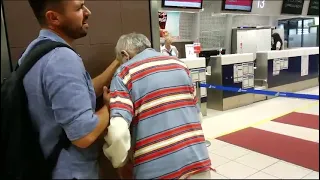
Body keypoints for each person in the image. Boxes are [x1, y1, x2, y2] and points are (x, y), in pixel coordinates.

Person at [21, 0, 120, 178]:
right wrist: (110, 106)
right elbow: (84, 135)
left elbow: (81, 94)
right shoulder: (62, 59)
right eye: (79, 8)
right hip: (71, 171)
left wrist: (118, 63)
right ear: (54, 18)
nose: (88, 12)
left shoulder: (34, 51)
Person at [103, 33, 212, 179]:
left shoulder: (124, 73)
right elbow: (197, 117)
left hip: (156, 171)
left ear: (124, 55)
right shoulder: (180, 65)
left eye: (119, 60)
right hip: (198, 161)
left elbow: (118, 133)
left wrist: (119, 162)